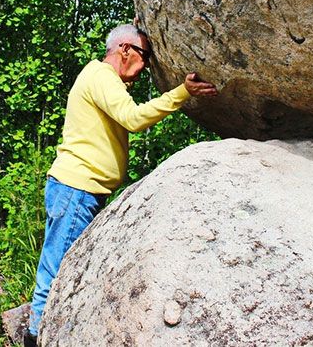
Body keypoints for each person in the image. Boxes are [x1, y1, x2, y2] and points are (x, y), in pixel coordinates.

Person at [23, 23, 217, 346]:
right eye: (146, 56)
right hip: (76, 190)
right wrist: (182, 93)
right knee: (55, 276)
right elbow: (134, 119)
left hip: (80, 190)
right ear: (126, 50)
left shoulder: (101, 79)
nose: (146, 67)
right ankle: (34, 339)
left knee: (62, 274)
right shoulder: (101, 76)